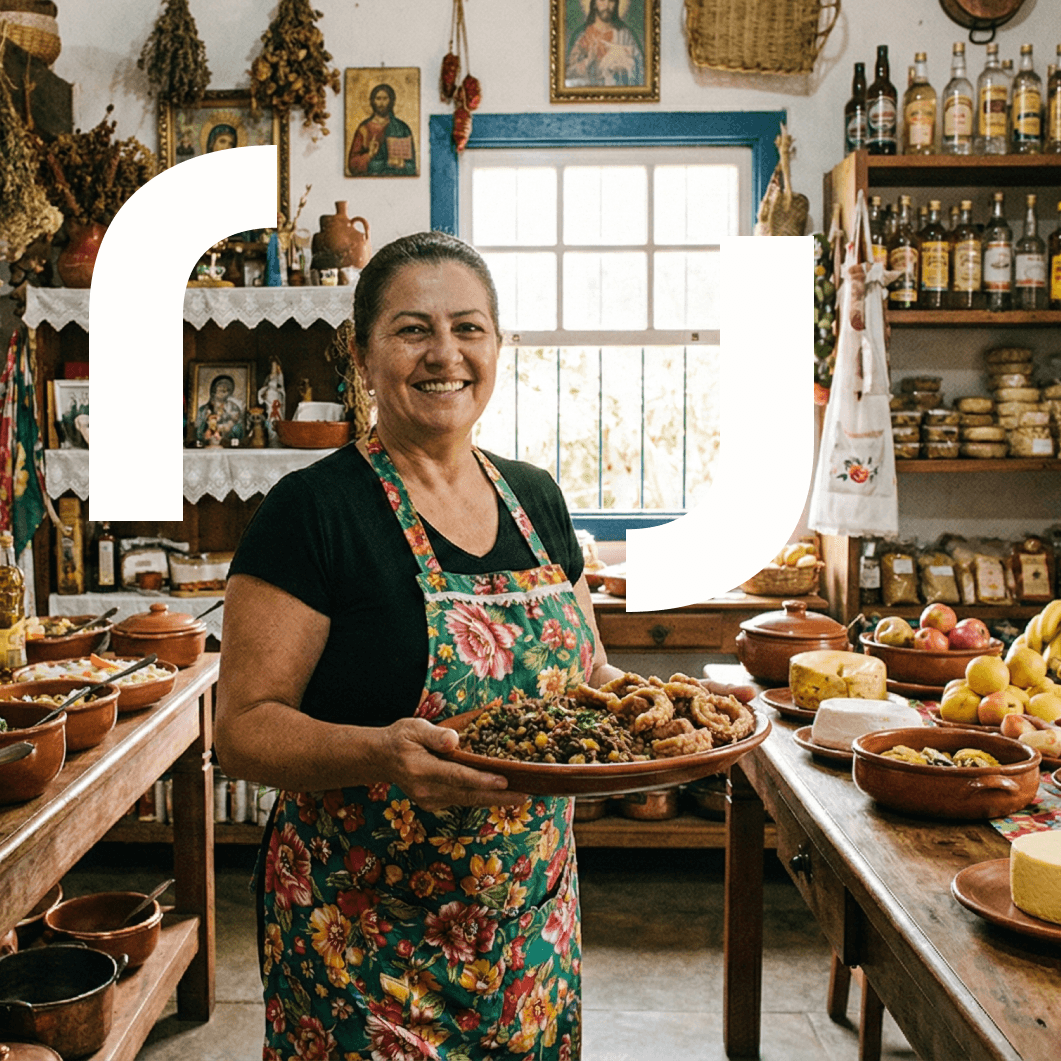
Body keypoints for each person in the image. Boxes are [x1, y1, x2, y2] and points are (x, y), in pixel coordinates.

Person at [215, 231, 754, 1057]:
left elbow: (590, 673)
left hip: (530, 930)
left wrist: (688, 710)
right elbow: (244, 731)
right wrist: (382, 754)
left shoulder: (536, 497)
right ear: (361, 355)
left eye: (468, 328)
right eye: (413, 330)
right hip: (362, 942)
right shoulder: (311, 512)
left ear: (499, 345)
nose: (446, 354)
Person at [565, 0, 644, 88]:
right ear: (594, 3)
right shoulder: (582, 35)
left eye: (611, 0)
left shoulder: (625, 35)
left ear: (616, 4)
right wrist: (588, 60)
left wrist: (623, 58)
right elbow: (568, 73)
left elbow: (641, 67)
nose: (606, 5)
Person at [347, 83, 416, 176]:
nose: (381, 103)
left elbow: (412, 167)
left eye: (385, 99)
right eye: (378, 99)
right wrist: (369, 155)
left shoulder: (402, 128)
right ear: (372, 101)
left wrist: (402, 164)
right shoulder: (364, 129)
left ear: (391, 101)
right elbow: (352, 165)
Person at [195, 373, 245, 444]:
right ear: (214, 390)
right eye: (220, 387)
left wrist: (221, 431)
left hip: (228, 443)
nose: (224, 389)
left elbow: (238, 429)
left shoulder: (234, 408)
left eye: (227, 388)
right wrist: (207, 432)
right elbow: (199, 432)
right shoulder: (203, 409)